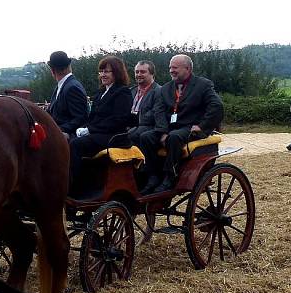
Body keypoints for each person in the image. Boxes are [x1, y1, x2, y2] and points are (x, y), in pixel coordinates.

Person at [138, 54, 224, 194]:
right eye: (170, 67)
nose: (171, 70)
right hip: (169, 129)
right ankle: (153, 176)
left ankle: (170, 176)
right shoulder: (165, 88)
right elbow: (158, 111)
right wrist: (162, 131)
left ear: (188, 69)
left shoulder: (203, 85)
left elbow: (216, 106)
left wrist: (202, 126)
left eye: (175, 67)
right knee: (145, 137)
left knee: (174, 137)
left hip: (190, 128)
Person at [69, 55, 134, 180]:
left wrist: (90, 130)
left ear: (116, 73)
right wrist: (83, 127)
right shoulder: (100, 93)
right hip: (99, 134)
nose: (102, 75)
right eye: (101, 71)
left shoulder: (122, 92)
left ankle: (74, 183)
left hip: (114, 136)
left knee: (76, 145)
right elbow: (92, 117)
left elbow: (118, 120)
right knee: (69, 139)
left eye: (106, 72)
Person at [45, 50, 88, 140]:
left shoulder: (72, 87)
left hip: (69, 135)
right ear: (69, 66)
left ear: (52, 70)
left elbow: (80, 118)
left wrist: (57, 130)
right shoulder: (63, 85)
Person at [128, 60, 161, 146]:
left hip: (148, 126)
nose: (139, 74)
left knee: (130, 135)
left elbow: (155, 113)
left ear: (152, 74)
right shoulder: (131, 91)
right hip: (130, 125)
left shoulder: (159, 91)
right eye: (137, 72)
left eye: (143, 72)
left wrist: (135, 120)